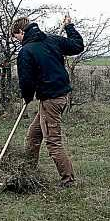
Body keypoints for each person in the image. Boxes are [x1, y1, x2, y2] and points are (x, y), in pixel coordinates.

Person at [12, 14, 84, 187]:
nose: (18, 41)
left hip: (52, 99)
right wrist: (69, 27)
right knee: (33, 136)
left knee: (53, 141)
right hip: (56, 97)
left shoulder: (26, 51)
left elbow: (26, 80)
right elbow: (77, 45)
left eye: (17, 37)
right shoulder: (51, 40)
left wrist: (27, 97)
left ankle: (68, 180)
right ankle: (28, 172)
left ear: (22, 31)